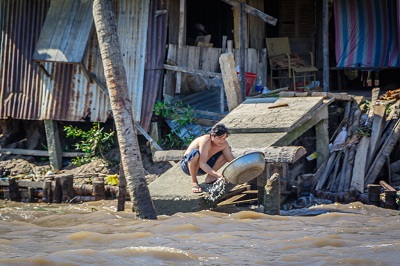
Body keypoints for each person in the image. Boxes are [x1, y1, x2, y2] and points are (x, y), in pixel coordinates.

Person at [180, 124, 235, 193]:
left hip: (205, 167)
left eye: (224, 139)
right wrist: (218, 175)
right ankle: (194, 181)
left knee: (225, 154)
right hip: (188, 166)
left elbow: (231, 159)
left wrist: (244, 169)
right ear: (212, 136)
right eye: (219, 138)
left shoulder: (224, 144)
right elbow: (201, 163)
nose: (222, 141)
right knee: (195, 153)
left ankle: (210, 177)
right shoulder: (205, 141)